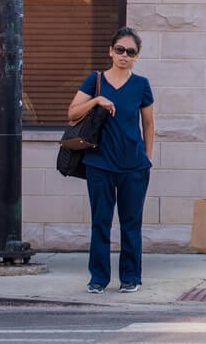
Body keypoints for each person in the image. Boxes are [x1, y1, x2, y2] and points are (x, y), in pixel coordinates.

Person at [66, 27, 155, 294]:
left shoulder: (142, 85)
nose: (124, 55)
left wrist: (147, 159)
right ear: (110, 51)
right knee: (101, 221)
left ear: (136, 56)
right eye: (119, 50)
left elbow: (149, 125)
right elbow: (72, 114)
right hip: (99, 164)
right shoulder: (94, 81)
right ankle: (98, 279)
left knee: (131, 223)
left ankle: (131, 277)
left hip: (134, 166)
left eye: (130, 52)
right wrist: (96, 101)